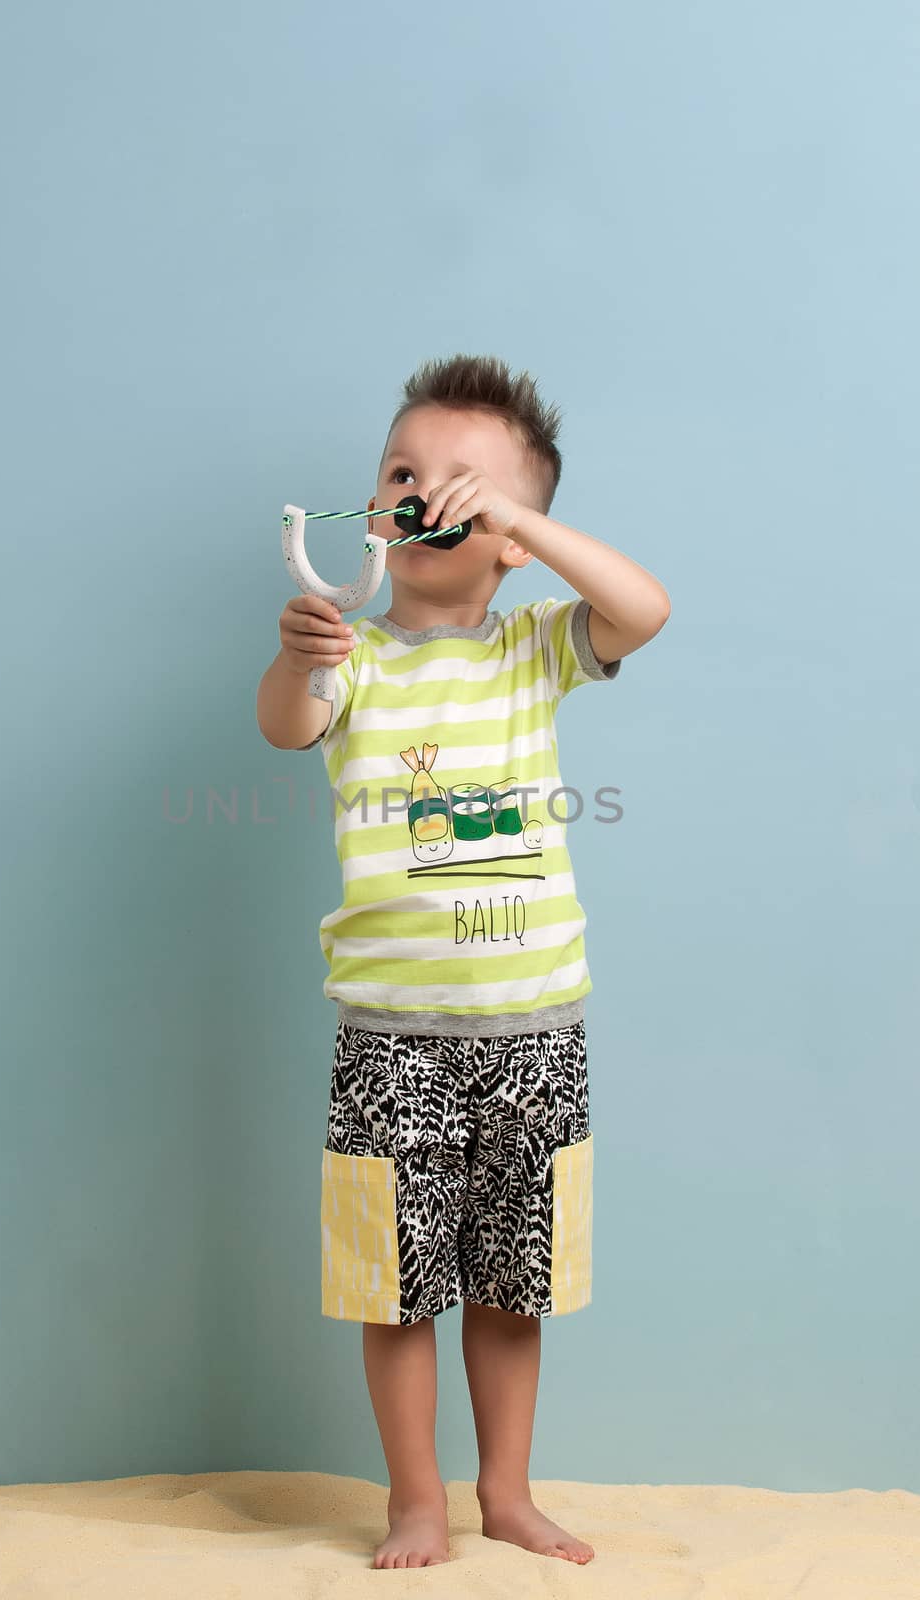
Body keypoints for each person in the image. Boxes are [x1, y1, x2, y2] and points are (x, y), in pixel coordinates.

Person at [256, 353, 671, 1570]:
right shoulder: (354, 660)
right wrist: (296, 654)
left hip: (535, 1028)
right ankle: (413, 1499)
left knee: (511, 1282)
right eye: (400, 471)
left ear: (509, 541)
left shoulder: (534, 649)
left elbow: (642, 610)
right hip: (390, 1035)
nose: (422, 493)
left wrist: (525, 519)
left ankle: (505, 1489)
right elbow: (283, 728)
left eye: (462, 486)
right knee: (395, 1285)